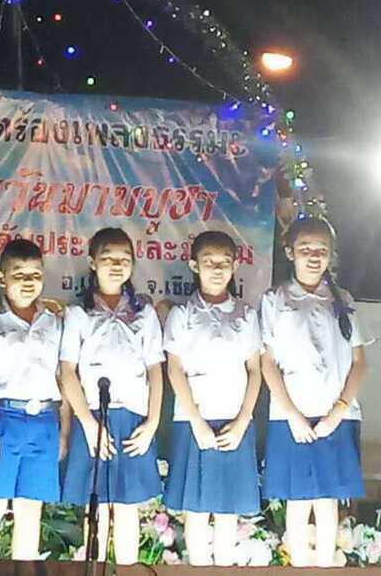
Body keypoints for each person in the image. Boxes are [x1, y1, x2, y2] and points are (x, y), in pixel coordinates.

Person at [260, 216, 371, 567]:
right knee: (297, 500)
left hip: (337, 417)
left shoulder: (343, 299)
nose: (313, 256)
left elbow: (359, 362)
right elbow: (267, 363)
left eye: (321, 250)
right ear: (289, 252)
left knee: (327, 500)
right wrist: (292, 415)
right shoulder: (275, 299)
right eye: (305, 248)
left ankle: (325, 567)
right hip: (290, 417)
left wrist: (339, 410)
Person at [60, 227, 164, 565]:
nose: (117, 265)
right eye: (108, 258)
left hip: (133, 420)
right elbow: (67, 371)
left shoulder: (144, 312)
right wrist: (88, 424)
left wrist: (152, 422)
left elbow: (155, 370)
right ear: (92, 262)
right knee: (99, 507)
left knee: (128, 506)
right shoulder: (78, 313)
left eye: (124, 259)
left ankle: (128, 569)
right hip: (93, 418)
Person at [163, 230, 262, 566]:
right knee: (195, 510)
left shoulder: (245, 314)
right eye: (209, 262)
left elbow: (255, 370)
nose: (217, 269)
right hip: (193, 422)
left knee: (227, 511)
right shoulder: (182, 314)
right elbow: (174, 369)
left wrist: (242, 422)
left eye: (224, 262)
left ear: (235, 266)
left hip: (234, 422)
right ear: (194, 265)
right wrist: (196, 421)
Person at [0, 239, 64, 560]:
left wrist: (63, 432)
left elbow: (63, 377)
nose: (28, 281)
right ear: (1, 277)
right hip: (3, 420)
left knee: (30, 510)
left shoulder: (54, 322)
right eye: (19, 274)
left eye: (35, 274)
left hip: (44, 421)